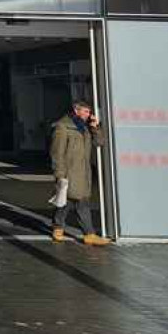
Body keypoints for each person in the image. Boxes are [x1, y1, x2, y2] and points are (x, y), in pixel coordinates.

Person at [49, 100, 111, 246]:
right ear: (76, 110)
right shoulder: (63, 127)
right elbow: (57, 153)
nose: (88, 115)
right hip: (69, 171)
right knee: (74, 200)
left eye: (89, 112)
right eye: (85, 111)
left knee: (72, 200)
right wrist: (59, 174)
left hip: (83, 171)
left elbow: (100, 142)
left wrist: (95, 127)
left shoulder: (86, 127)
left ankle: (59, 226)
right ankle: (87, 233)